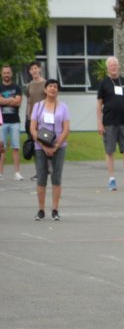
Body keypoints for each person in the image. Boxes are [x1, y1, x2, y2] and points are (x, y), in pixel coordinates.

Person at [29, 79, 70, 221]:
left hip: (59, 146)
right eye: (50, 86)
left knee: (56, 178)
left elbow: (66, 129)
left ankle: (55, 210)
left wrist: (56, 146)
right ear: (45, 90)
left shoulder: (63, 107)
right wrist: (44, 146)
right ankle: (41, 210)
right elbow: (33, 129)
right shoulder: (38, 106)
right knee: (41, 177)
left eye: (55, 87)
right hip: (40, 147)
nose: (53, 89)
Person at [96, 57, 124, 191]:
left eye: (115, 65)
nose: (113, 67)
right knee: (110, 150)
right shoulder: (104, 83)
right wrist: (99, 122)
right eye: (111, 65)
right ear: (107, 67)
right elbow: (99, 103)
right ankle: (112, 179)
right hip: (109, 122)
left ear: (118, 66)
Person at [0, 65, 24, 180]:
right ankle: (0, 173)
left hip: (15, 121)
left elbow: (18, 103)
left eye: (8, 73)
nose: (6, 75)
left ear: (11, 74)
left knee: (15, 147)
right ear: (1, 74)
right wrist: (11, 100)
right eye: (4, 73)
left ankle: (17, 173)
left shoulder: (17, 87)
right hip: (1, 122)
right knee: (1, 148)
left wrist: (4, 101)